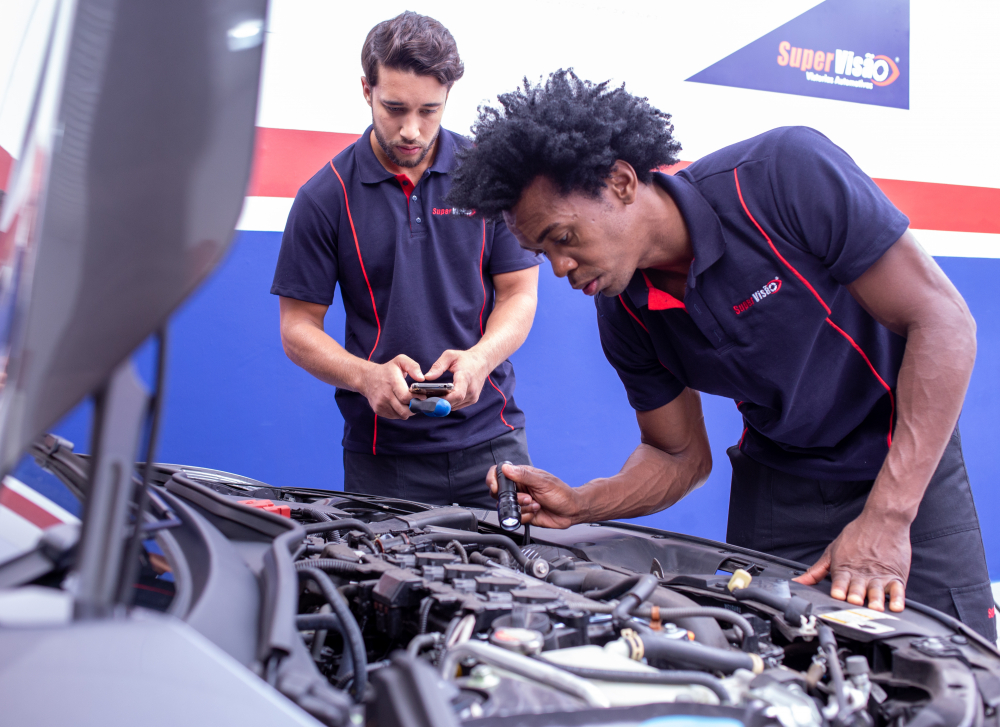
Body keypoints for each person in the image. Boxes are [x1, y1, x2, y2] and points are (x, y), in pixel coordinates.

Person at [446, 70, 996, 640]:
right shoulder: (624, 311)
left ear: (621, 182)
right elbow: (679, 457)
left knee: (957, 671)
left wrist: (888, 515)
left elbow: (944, 323)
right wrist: (582, 503)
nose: (559, 269)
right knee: (769, 669)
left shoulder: (783, 176)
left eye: (563, 238)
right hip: (780, 479)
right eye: (542, 252)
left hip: (901, 464)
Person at [271, 12, 540, 509]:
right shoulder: (324, 196)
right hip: (383, 457)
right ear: (366, 89)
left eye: (429, 110)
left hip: (493, 444)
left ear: (447, 98)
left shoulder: (490, 177)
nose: (412, 130)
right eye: (394, 108)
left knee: (513, 583)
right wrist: (364, 376)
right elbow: (297, 328)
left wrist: (480, 359)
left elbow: (520, 293)